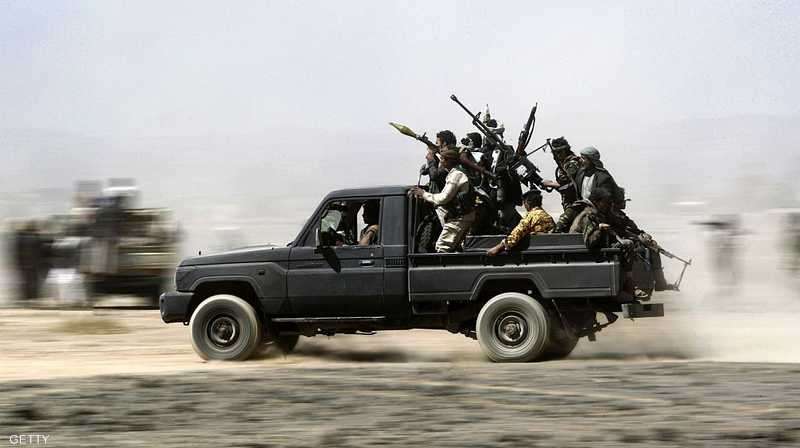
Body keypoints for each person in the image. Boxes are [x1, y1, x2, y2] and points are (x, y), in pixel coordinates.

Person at [570, 188, 644, 300]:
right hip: (584, 254)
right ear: (596, 202)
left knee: (630, 243)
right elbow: (590, 242)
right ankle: (626, 285)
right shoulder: (588, 215)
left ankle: (627, 284)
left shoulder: (599, 213)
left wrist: (635, 235)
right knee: (626, 245)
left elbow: (617, 227)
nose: (607, 205)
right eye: (605, 202)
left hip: (594, 250)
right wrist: (600, 229)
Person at [408, 147, 476, 252]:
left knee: (442, 247)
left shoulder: (456, 175)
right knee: (455, 248)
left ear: (449, 161)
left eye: (442, 159)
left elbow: (444, 198)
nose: (441, 162)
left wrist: (424, 194)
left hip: (459, 218)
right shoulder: (455, 173)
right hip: (460, 216)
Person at [487, 190, 555, 256]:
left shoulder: (531, 216)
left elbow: (517, 233)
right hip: (549, 250)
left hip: (533, 252)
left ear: (528, 203)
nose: (524, 206)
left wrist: (498, 247)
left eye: (524, 202)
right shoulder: (547, 216)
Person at [541, 137, 583, 233]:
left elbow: (568, 184)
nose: (557, 155)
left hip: (576, 203)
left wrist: (550, 184)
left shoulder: (572, 163)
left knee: (561, 227)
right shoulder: (565, 164)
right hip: (570, 202)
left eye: (559, 152)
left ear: (566, 150)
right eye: (555, 153)